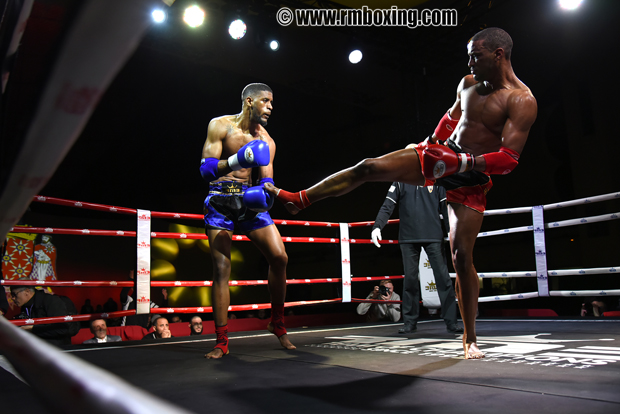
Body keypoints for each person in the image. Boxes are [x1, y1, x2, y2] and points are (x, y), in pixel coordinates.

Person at [265, 28, 537, 359]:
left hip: (471, 177)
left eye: (476, 55)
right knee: (369, 166)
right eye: (468, 55)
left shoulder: (521, 99)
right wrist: (431, 143)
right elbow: (450, 119)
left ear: (499, 55)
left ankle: (469, 337)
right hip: (441, 157)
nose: (469, 62)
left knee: (462, 258)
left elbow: (508, 160)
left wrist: (462, 161)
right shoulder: (467, 84)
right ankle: (302, 199)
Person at [199, 83, 295, 359]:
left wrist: (273, 194)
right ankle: (221, 341)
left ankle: (276, 322)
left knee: (280, 258)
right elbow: (206, 169)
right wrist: (236, 160)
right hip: (219, 199)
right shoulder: (220, 125)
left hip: (249, 202)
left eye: (272, 102)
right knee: (221, 268)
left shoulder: (267, 141)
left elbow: (266, 181)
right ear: (249, 101)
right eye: (266, 101)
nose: (271, 107)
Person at [372, 181, 462, 334]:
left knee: (443, 279)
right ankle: (410, 322)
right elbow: (388, 205)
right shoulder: (401, 182)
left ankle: (451, 322)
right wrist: (377, 226)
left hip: (433, 236)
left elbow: (445, 208)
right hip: (408, 238)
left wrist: (450, 231)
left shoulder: (436, 180)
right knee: (410, 280)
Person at [10, 280, 74, 346]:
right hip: (37, 346)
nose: (12, 298)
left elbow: (62, 329)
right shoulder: (25, 306)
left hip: (56, 348)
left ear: (27, 291)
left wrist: (32, 328)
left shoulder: (51, 301)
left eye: (14, 294)